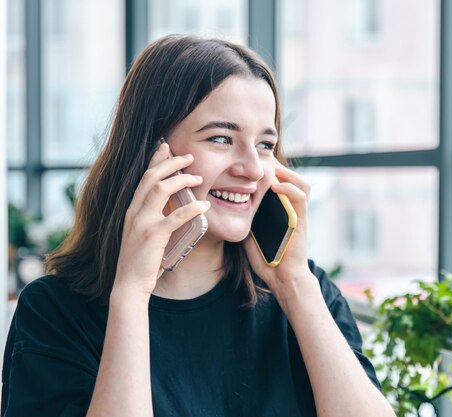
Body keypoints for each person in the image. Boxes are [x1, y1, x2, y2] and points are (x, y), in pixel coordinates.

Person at [1, 35, 396, 417]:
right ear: (153, 153)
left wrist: (294, 286)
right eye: (222, 139)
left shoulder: (306, 292)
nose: (252, 169)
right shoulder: (54, 312)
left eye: (264, 144)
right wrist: (132, 295)